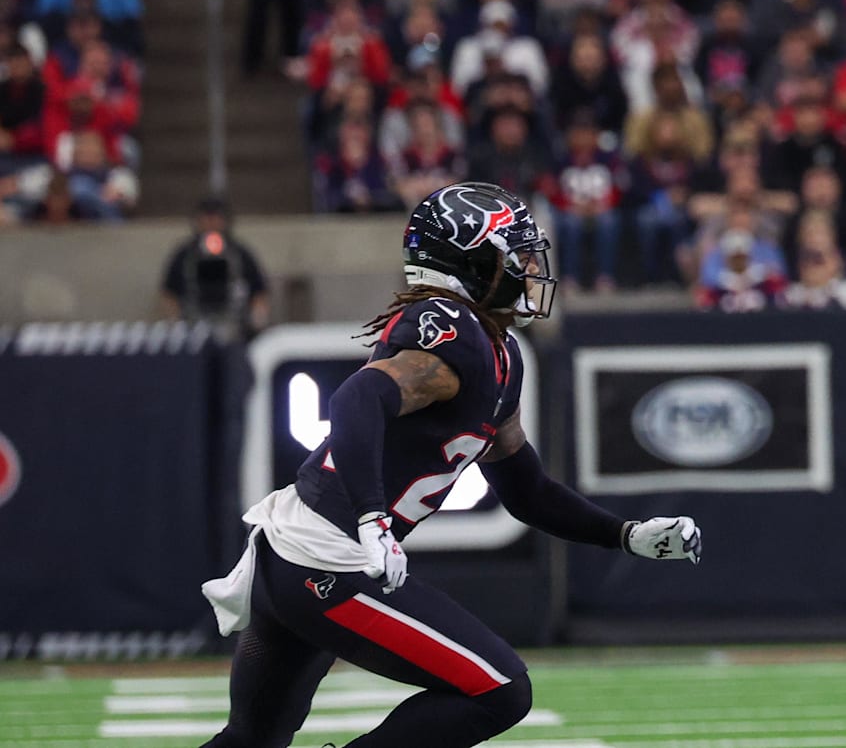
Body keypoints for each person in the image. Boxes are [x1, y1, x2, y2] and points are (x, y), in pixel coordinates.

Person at [199, 182, 701, 748]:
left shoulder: (499, 352)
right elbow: (355, 400)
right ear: (470, 262)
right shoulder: (452, 329)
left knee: (251, 739)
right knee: (500, 690)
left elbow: (526, 488)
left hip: (295, 555)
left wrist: (625, 535)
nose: (531, 270)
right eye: (516, 256)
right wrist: (372, 519)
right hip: (328, 559)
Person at [160, 198, 269, 339]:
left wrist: (257, 319)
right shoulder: (184, 255)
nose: (211, 223)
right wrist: (174, 324)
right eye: (206, 218)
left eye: (216, 217)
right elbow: (169, 292)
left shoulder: (240, 254)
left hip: (235, 328)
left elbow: (259, 291)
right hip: (193, 326)